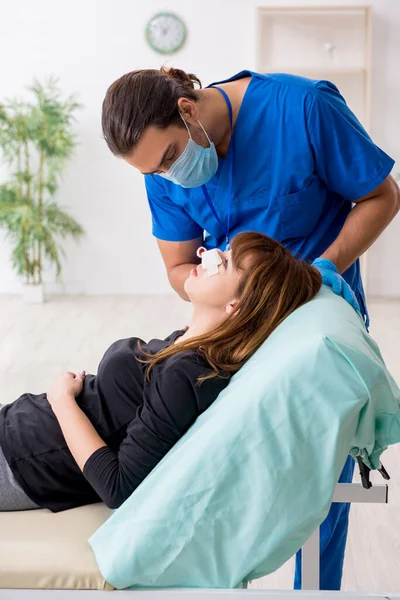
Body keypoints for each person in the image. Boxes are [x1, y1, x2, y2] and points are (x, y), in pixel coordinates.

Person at [100, 67, 399, 590]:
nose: (167, 176)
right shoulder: (163, 173)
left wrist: (313, 274)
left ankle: (318, 590)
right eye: (153, 173)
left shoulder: (302, 109)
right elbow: (177, 267)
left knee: (320, 487)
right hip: (236, 331)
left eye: (169, 157)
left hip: (311, 317)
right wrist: (224, 300)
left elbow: (382, 197)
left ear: (187, 110)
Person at [0, 232, 321, 516]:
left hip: (21, 460)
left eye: (222, 262)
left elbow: (118, 487)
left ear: (236, 306)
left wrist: (62, 400)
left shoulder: (187, 376)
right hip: (18, 428)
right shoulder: (188, 344)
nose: (204, 254)